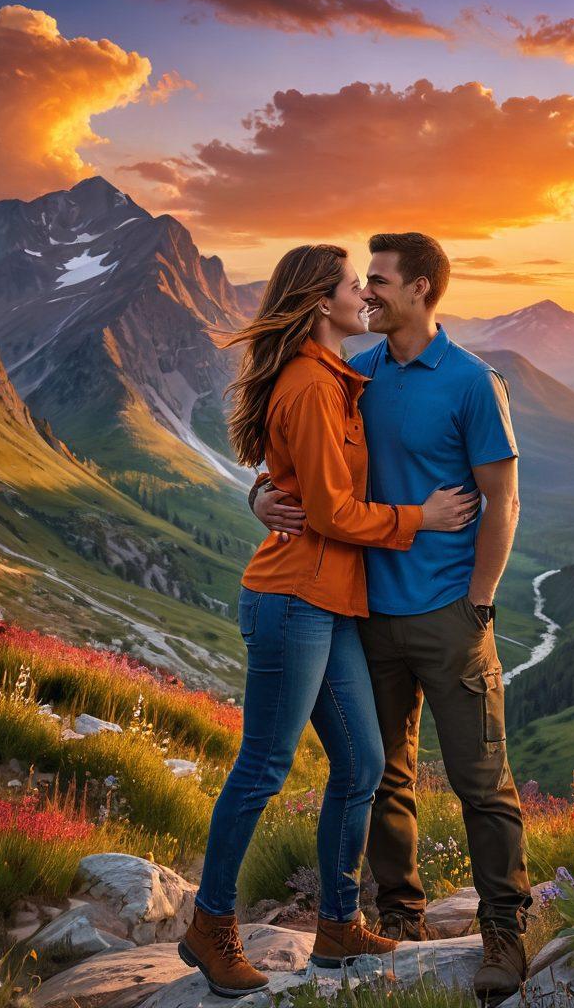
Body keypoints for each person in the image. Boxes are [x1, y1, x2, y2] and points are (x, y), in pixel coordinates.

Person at [179, 244, 478, 999]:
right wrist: (426, 517)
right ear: (321, 303)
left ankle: (340, 925)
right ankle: (211, 926)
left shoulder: (340, 378)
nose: (363, 297)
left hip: (334, 602)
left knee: (363, 765)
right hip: (293, 602)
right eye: (353, 286)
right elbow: (331, 510)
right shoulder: (314, 387)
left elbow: (296, 480)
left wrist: (260, 491)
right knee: (264, 767)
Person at [252, 233, 533, 1004]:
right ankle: (400, 919)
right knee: (381, 778)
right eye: (362, 282)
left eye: (378, 282)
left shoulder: (476, 383)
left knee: (483, 781)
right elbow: (297, 454)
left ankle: (505, 931)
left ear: (420, 290)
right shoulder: (355, 371)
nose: (366, 293)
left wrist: (480, 597)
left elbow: (503, 499)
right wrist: (258, 496)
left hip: (449, 613)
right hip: (367, 616)